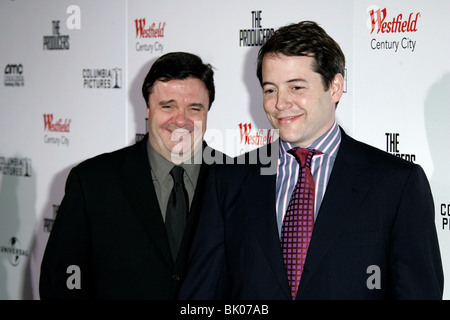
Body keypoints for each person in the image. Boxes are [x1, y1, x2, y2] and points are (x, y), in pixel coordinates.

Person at [179, 21, 444, 299]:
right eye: (270, 89)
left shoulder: (397, 184)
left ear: (335, 87)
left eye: (296, 87)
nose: (280, 103)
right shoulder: (227, 181)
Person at [40, 52, 224, 299]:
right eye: (167, 105)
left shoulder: (235, 180)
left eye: (194, 108)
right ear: (148, 108)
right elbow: (60, 282)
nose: (181, 119)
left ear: (207, 111)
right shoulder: (93, 182)